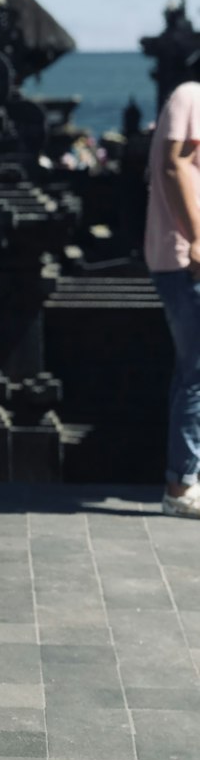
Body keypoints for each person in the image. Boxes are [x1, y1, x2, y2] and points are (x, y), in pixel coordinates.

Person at [144, 76, 200, 518]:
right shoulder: (191, 96)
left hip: (183, 259)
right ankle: (181, 485)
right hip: (187, 261)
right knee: (195, 373)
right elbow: (173, 162)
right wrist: (198, 238)